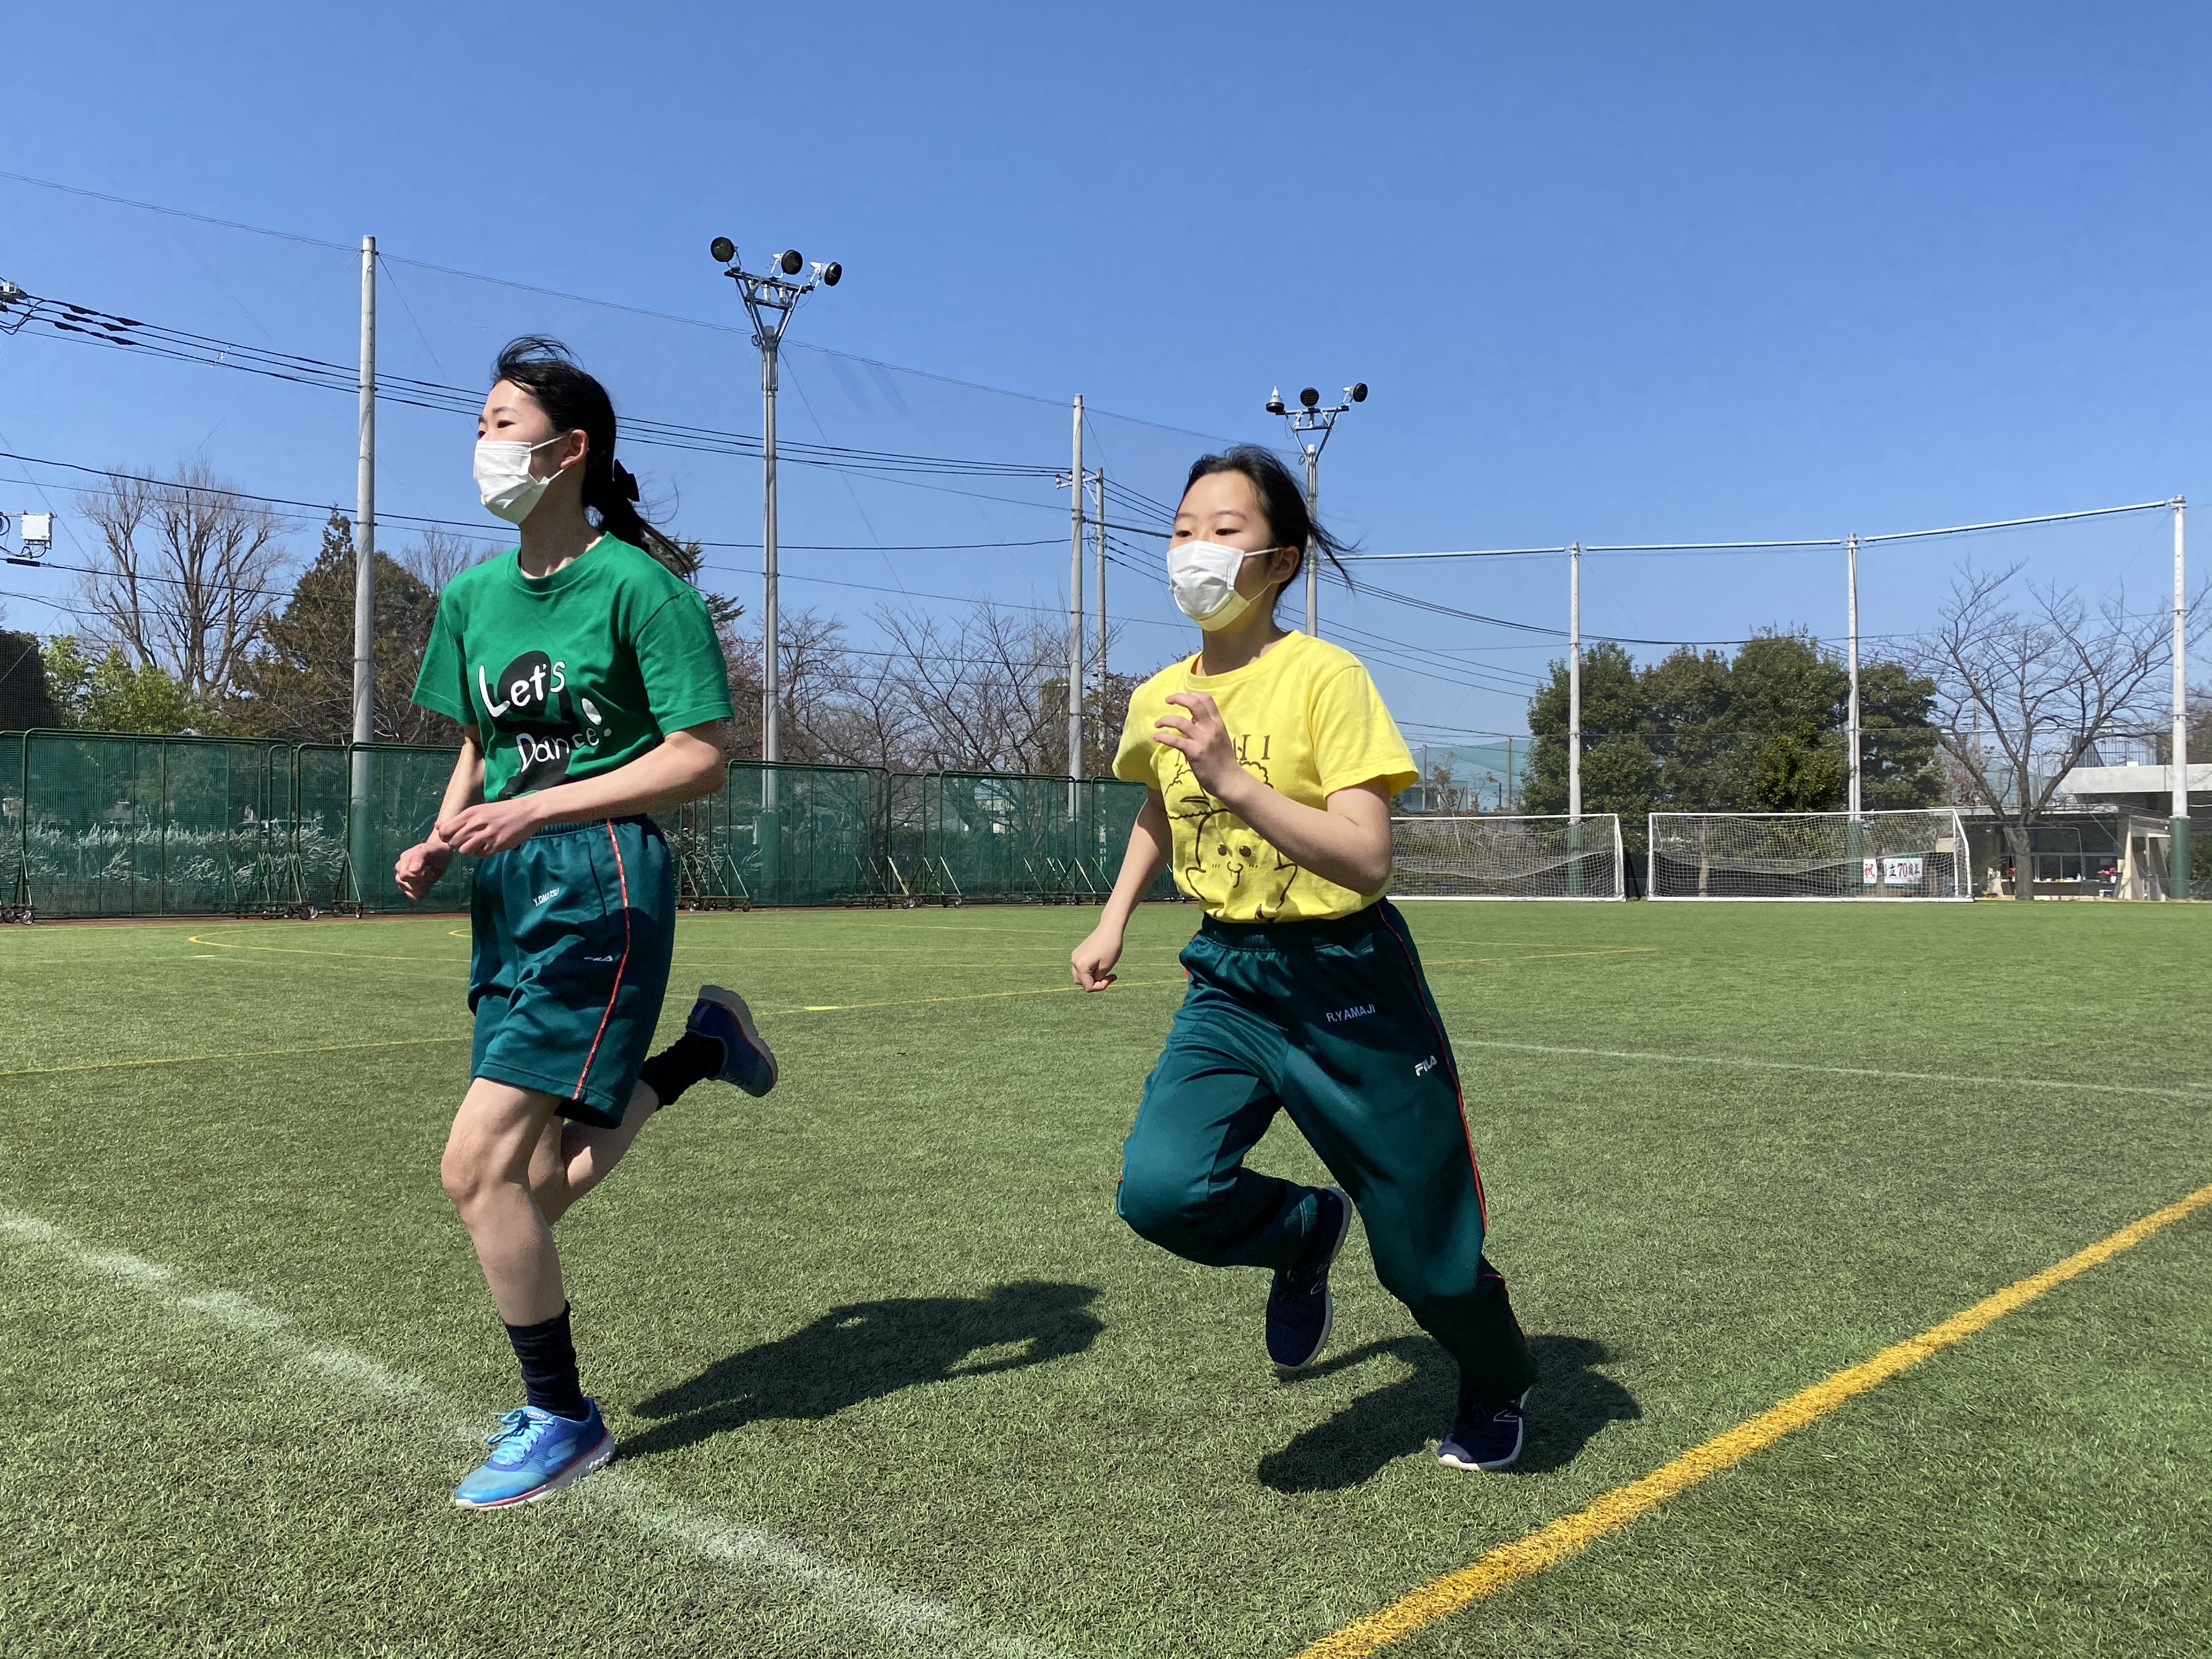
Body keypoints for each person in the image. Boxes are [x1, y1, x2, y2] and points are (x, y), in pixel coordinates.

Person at [1070, 446, 1539, 1471]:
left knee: (1427, 1262)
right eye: (1182, 529)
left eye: (1224, 530)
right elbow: (1160, 804)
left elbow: (1366, 859)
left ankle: (1498, 1374)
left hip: (1346, 977)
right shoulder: (1159, 694)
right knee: (1162, 1191)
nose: (1195, 550)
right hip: (1231, 977)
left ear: (1280, 561)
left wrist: (1237, 780)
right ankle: (1301, 1232)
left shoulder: (1327, 677)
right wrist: (1114, 919)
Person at [396, 336, 780, 1509]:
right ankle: (703, 1052)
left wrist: (540, 809)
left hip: (601, 882)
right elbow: (481, 743)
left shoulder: (641, 591)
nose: (482, 443)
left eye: (502, 424)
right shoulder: (471, 598)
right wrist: (444, 834)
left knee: (476, 1171)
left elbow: (700, 757)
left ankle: (563, 1418)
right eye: (480, 423)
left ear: (569, 452)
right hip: (508, 894)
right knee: (532, 1183)